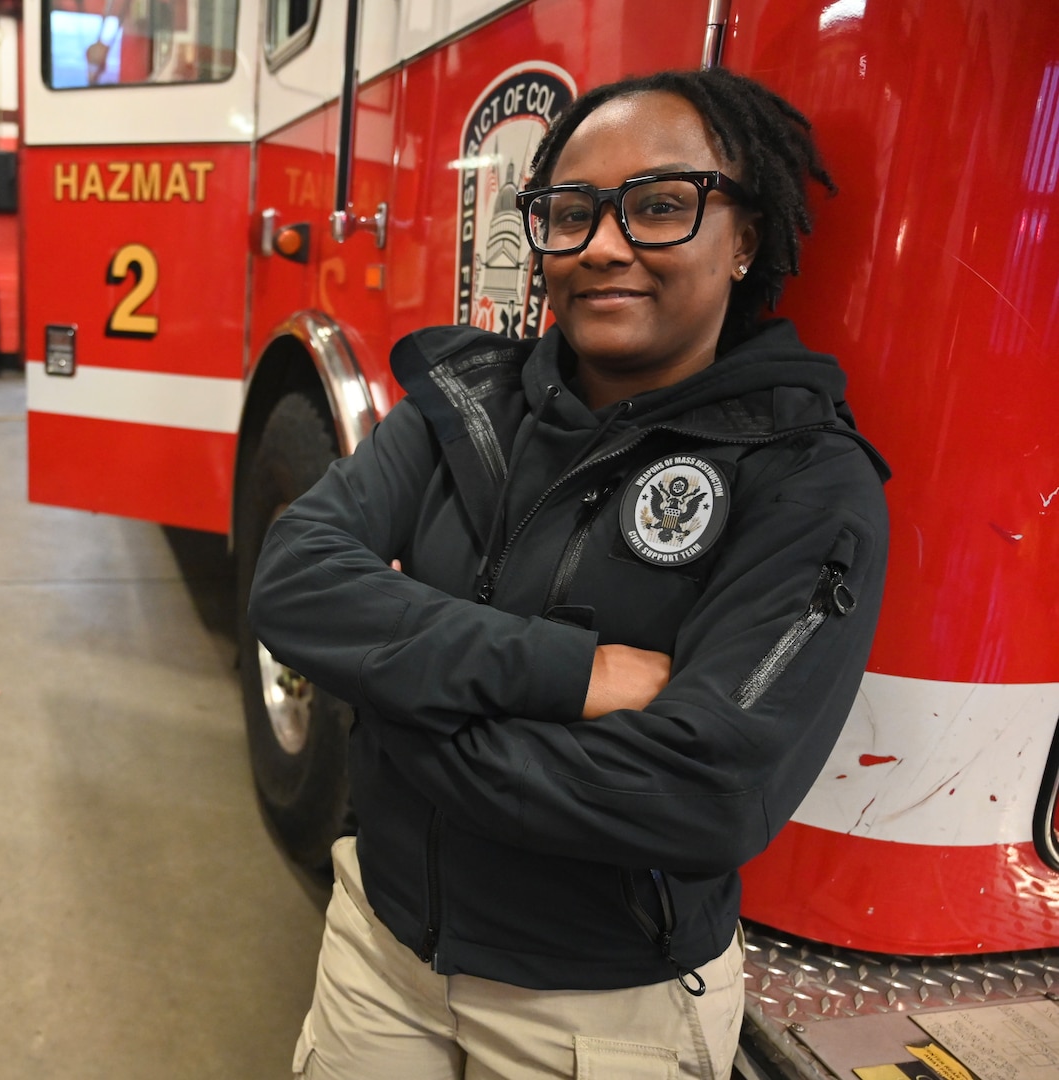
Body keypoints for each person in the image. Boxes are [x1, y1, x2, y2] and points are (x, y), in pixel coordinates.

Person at [249, 68, 890, 1079]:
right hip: (379, 945)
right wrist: (566, 672)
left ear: (747, 241)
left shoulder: (807, 480)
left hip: (598, 1013)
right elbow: (292, 578)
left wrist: (393, 715)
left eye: (660, 208)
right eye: (571, 213)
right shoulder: (465, 399)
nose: (601, 245)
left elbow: (705, 793)